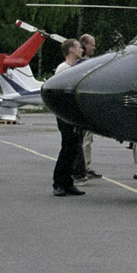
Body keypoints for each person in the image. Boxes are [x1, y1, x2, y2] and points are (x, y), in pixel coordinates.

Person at [52, 39, 85, 196]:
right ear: (71, 50)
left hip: (73, 115)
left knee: (73, 149)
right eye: (79, 47)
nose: (81, 50)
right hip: (65, 115)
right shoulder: (63, 69)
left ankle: (68, 182)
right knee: (66, 149)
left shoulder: (75, 68)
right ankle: (58, 183)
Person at [76, 34, 102, 180]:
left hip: (89, 110)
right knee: (84, 141)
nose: (94, 47)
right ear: (84, 45)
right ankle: (82, 167)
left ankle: (87, 166)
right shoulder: (81, 64)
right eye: (92, 44)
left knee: (88, 140)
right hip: (83, 109)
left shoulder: (89, 62)